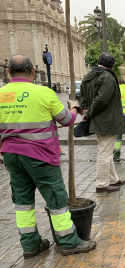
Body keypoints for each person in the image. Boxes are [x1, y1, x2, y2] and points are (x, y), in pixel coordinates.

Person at [0, 54, 96, 257]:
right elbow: (67, 120)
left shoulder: (1, 94)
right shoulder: (43, 93)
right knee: (57, 200)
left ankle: (30, 244)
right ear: (33, 71)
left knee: (23, 202)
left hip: (12, 156)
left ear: (8, 72)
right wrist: (74, 108)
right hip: (40, 156)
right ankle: (69, 242)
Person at [79, 53, 125, 193]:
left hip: (97, 121)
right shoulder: (108, 77)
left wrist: (86, 110)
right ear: (112, 66)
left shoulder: (88, 76)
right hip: (107, 121)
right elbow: (102, 99)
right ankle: (102, 183)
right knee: (104, 153)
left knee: (107, 151)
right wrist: (89, 112)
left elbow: (81, 96)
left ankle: (113, 179)